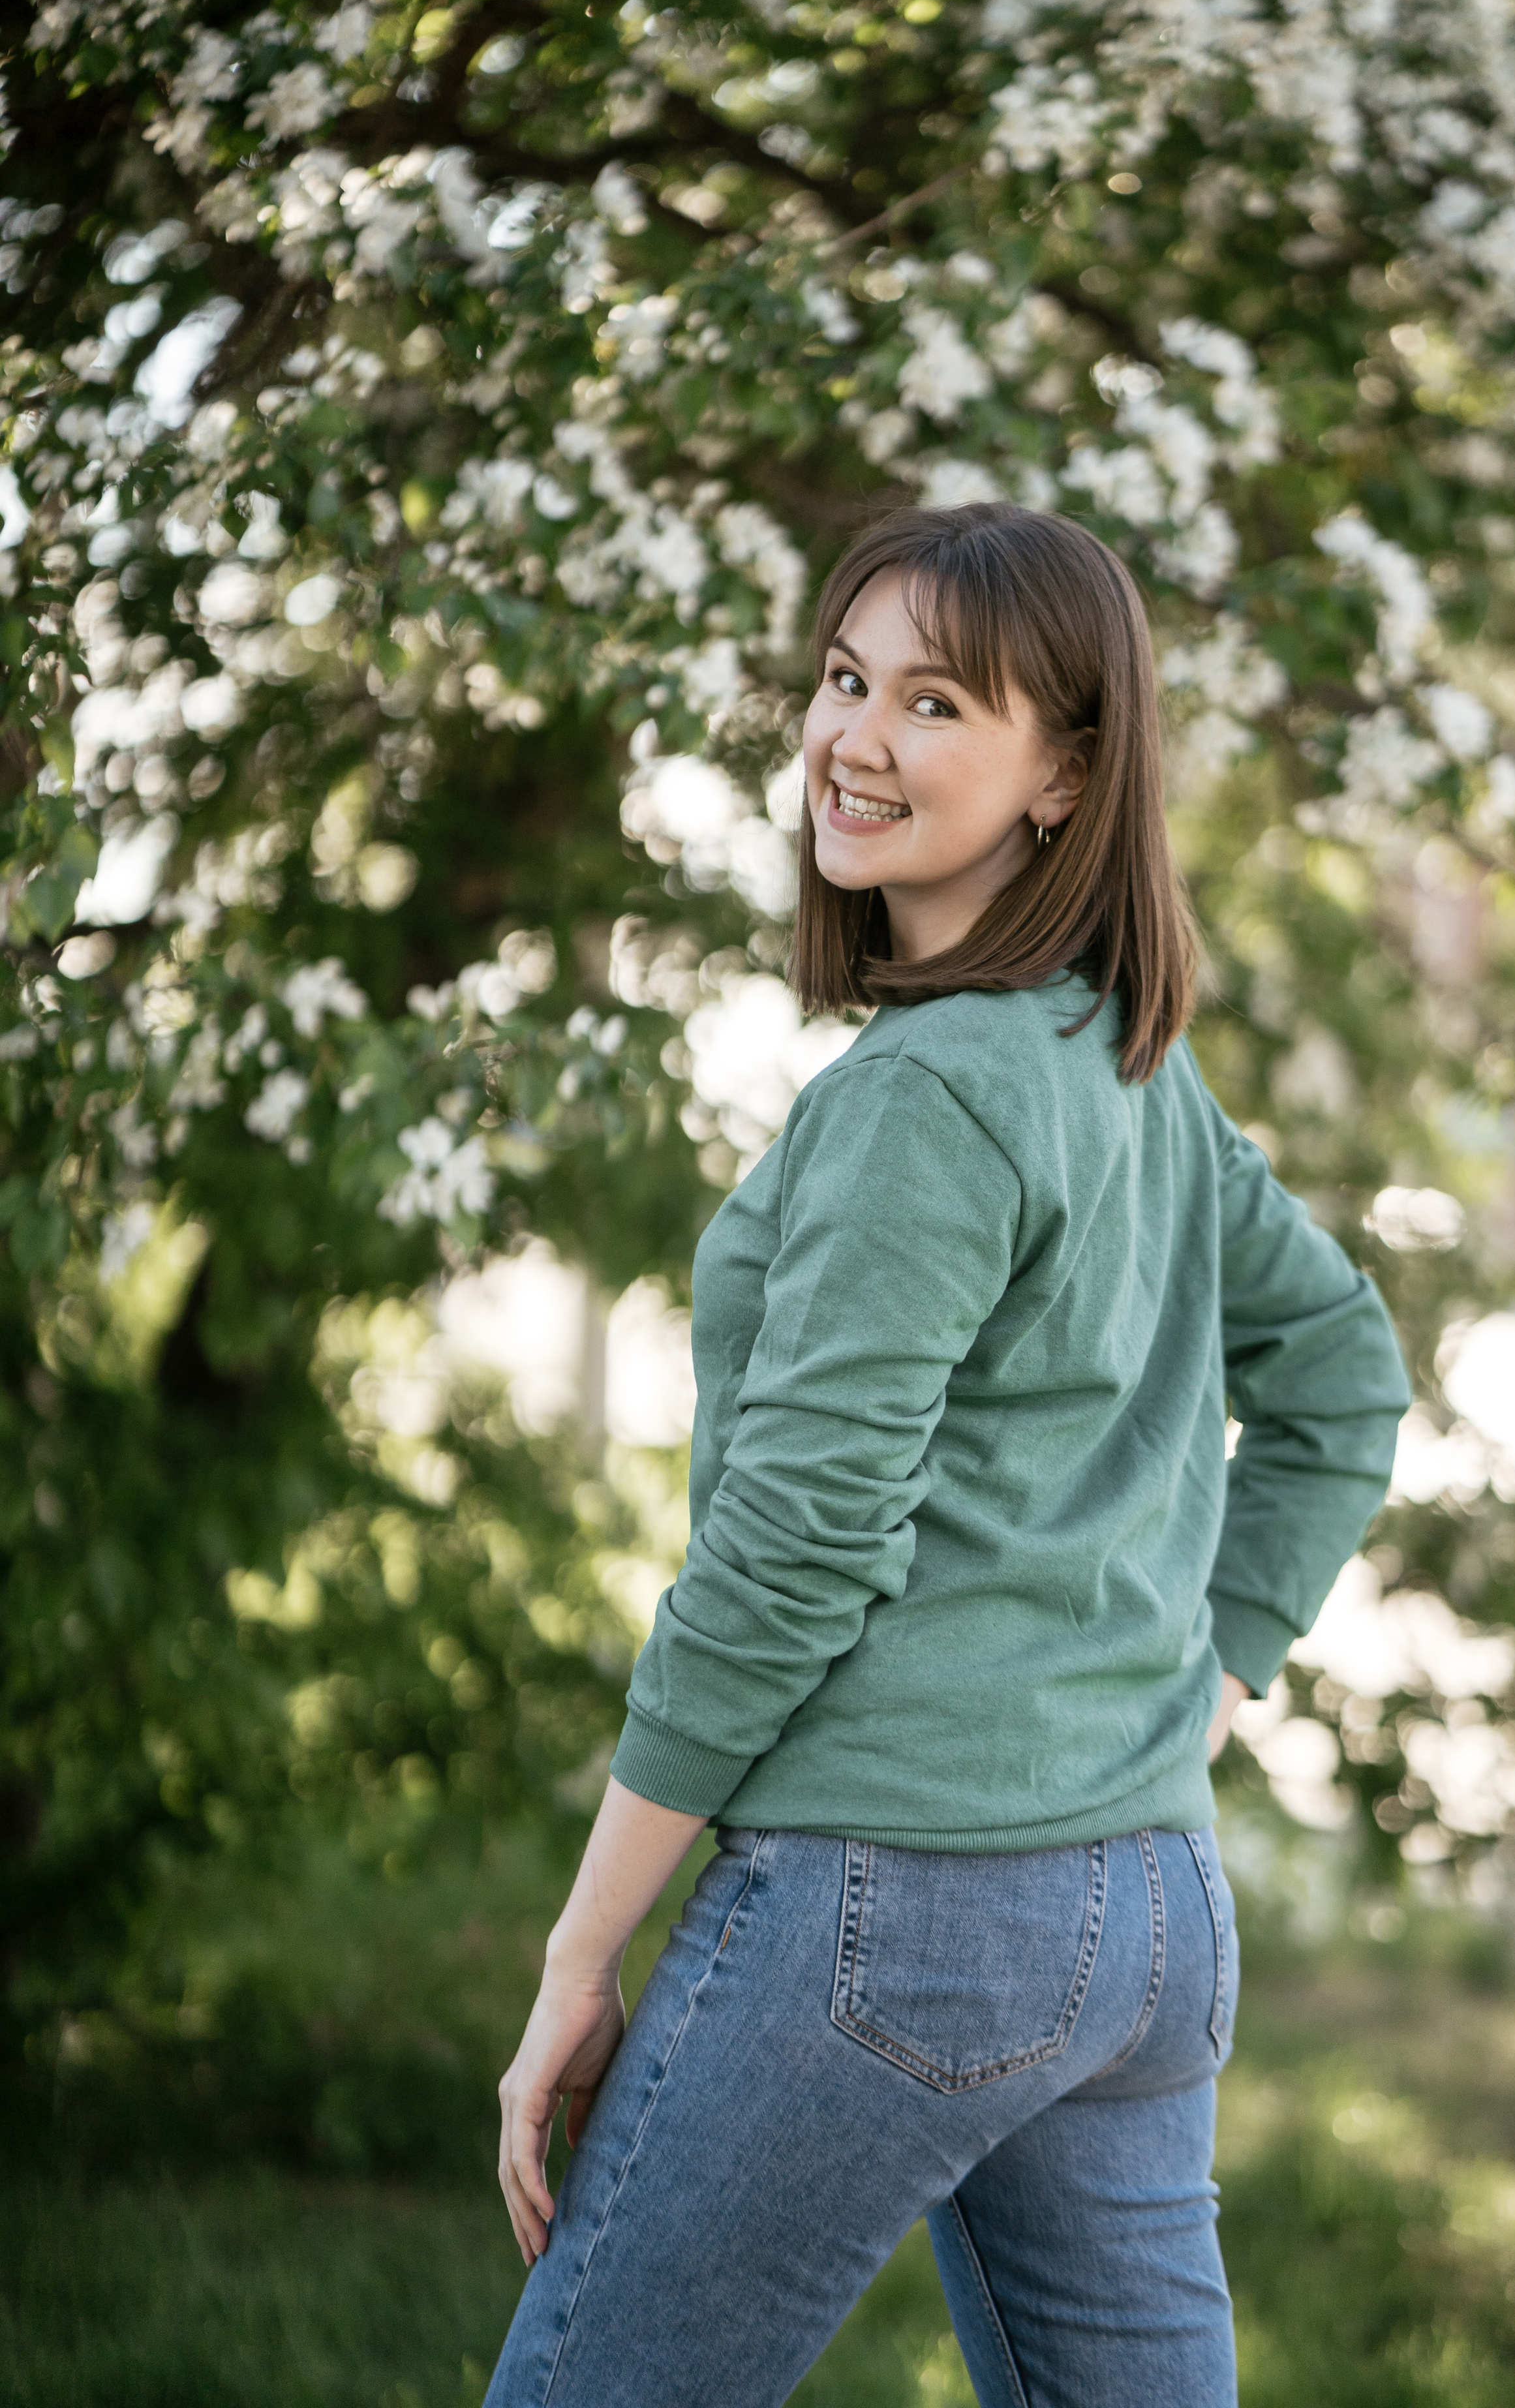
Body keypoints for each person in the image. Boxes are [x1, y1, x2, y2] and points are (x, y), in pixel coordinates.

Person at [486, 502, 1409, 2408]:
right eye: (845, 681)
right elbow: (1347, 1373)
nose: (858, 740)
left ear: (1068, 774)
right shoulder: (1131, 1067)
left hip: (896, 1914)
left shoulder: (925, 1100)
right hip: (1147, 1909)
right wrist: (1220, 1659)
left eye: (933, 703)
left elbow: (793, 1553)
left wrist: (589, 1942)